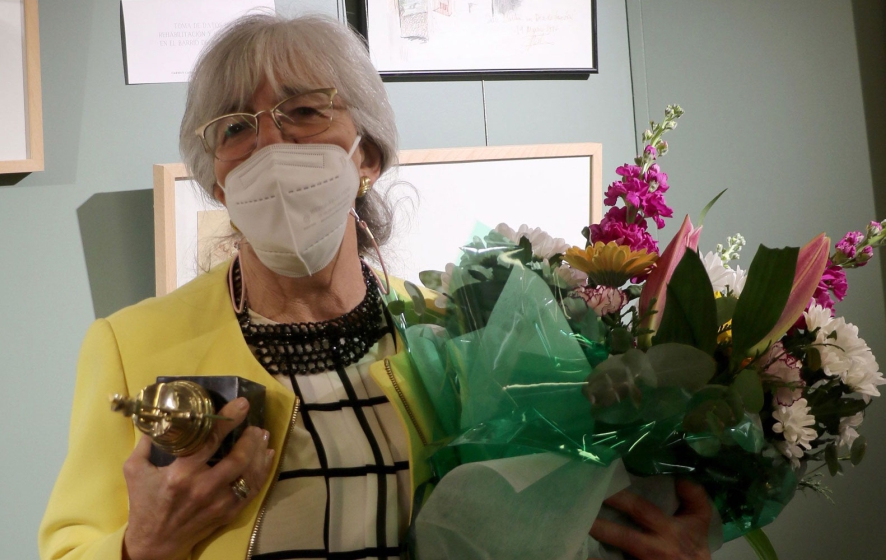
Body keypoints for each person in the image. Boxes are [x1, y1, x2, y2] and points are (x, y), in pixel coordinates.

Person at [39, 13, 713, 560]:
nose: (271, 143)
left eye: (303, 112)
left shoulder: (452, 337)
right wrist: (141, 549)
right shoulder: (133, 345)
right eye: (236, 127)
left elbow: (532, 526)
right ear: (215, 179)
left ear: (367, 154)